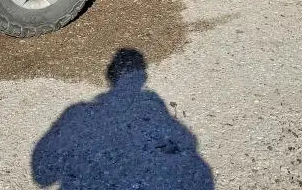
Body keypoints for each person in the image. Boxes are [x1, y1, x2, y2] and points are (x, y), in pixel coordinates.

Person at [32, 48, 214, 190]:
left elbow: (42, 175)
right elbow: (187, 146)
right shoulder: (155, 113)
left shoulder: (76, 115)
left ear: (110, 76)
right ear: (143, 77)